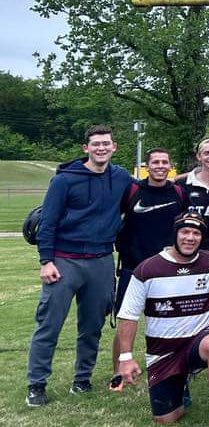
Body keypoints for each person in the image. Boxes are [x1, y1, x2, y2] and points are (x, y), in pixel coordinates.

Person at [28, 125, 134, 406]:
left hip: (101, 261)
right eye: (96, 144)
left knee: (92, 326)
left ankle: (82, 379)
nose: (101, 148)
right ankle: (36, 384)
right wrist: (46, 261)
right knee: (49, 325)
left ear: (114, 147)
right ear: (86, 148)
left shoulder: (121, 177)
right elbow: (47, 223)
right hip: (65, 260)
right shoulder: (65, 180)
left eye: (106, 143)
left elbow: (150, 188)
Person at [113, 213, 209, 426]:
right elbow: (128, 315)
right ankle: (181, 383)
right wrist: (126, 357)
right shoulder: (147, 269)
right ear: (175, 235)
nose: (190, 238)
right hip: (163, 353)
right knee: (165, 419)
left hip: (198, 343)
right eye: (185, 232)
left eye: (196, 233)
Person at [116, 148, 189, 313]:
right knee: (125, 317)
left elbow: (187, 228)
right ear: (147, 167)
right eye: (155, 162)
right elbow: (115, 221)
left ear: (170, 166)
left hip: (167, 268)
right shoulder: (132, 190)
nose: (160, 166)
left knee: (168, 319)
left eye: (164, 162)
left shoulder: (179, 193)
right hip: (132, 267)